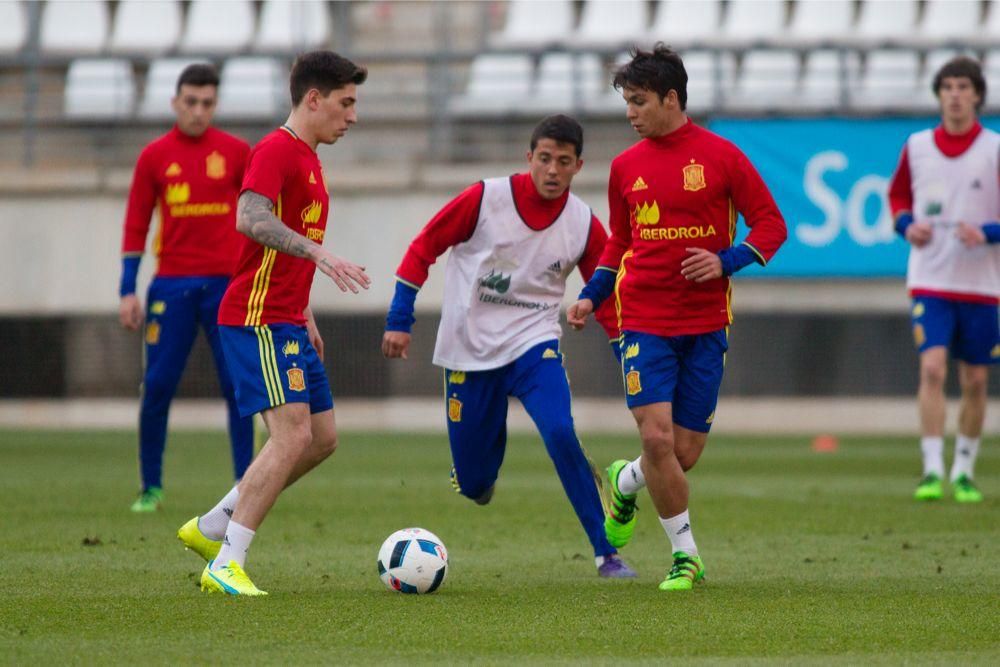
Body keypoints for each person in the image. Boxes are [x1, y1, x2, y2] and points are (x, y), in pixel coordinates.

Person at [568, 45, 786, 591]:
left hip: (707, 324)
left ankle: (626, 480)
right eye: (626, 102)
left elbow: (770, 227)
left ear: (671, 98)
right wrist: (593, 294)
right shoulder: (625, 167)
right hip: (642, 320)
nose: (630, 113)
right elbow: (620, 240)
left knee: (680, 454)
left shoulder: (722, 157)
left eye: (639, 102)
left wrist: (725, 259)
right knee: (659, 438)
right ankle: (686, 556)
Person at [381, 115, 636, 579]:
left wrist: (622, 345)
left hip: (533, 344)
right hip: (469, 350)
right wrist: (400, 318)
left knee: (560, 432)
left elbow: (606, 288)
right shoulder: (485, 199)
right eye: (544, 159)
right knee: (476, 484)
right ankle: (478, 474)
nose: (552, 170)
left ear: (579, 165)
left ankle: (607, 553)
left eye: (563, 161)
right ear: (529, 157)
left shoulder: (582, 223)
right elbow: (424, 246)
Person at [175, 51, 370, 596]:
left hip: (287, 317)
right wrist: (323, 256)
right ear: (314, 99)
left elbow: (281, 250)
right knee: (291, 435)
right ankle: (226, 560)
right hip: (256, 318)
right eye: (345, 102)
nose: (352, 116)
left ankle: (214, 524)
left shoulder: (310, 158)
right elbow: (250, 217)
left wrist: (305, 310)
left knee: (322, 438)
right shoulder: (275, 150)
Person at [118, 63, 253, 513]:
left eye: (207, 103)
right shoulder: (154, 157)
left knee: (238, 388)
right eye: (191, 102)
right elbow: (136, 224)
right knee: (156, 386)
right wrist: (127, 289)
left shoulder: (236, 153)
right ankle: (151, 487)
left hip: (226, 288)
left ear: (216, 104)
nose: (198, 111)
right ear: (175, 101)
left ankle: (246, 486)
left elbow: (259, 218)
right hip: (171, 286)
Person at [888, 56, 999, 504]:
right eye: (947, 86)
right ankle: (932, 468)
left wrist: (988, 233)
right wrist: (905, 224)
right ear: (939, 94)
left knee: (974, 379)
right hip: (931, 277)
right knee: (932, 369)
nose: (954, 94)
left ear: (976, 95)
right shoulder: (917, 145)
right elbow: (897, 195)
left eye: (962, 86)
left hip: (981, 283)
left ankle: (965, 468)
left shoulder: (993, 148)